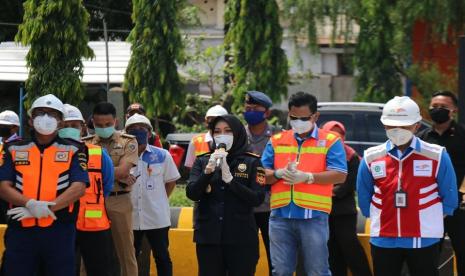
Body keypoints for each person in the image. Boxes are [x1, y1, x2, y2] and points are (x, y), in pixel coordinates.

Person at [357, 96, 458, 276]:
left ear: (417, 125)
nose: (398, 130)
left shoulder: (437, 155)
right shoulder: (371, 156)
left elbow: (449, 196)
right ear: (384, 125)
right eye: (392, 126)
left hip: (424, 238)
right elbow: (364, 195)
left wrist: (429, 218)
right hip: (383, 237)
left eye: (404, 126)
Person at [0, 94, 88, 275]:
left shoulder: (74, 149)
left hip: (60, 230)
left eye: (52, 114)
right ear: (31, 120)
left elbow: (78, 186)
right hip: (21, 229)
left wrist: (48, 207)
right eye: (41, 113)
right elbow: (3, 186)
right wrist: (30, 204)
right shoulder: (14, 149)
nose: (46, 118)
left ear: (61, 122)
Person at [261, 91, 348, 276]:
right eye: (293, 117)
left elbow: (340, 175)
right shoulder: (276, 141)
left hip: (313, 217)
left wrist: (308, 177)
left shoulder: (330, 141)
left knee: (317, 271)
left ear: (315, 116)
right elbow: (260, 175)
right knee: (280, 271)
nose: (298, 122)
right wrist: (277, 173)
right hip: (280, 216)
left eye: (304, 118)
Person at [186, 115, 265, 276]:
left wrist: (231, 181)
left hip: (241, 237)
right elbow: (192, 193)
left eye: (228, 131)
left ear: (238, 133)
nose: (222, 135)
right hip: (209, 237)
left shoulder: (254, 162)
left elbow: (258, 198)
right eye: (217, 131)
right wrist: (207, 173)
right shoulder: (202, 161)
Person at [58, 104, 117, 276]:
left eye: (74, 126)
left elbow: (106, 185)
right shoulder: (49, 155)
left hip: (94, 225)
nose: (70, 130)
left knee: (100, 270)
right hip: (62, 224)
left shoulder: (99, 154)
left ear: (83, 128)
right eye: (65, 126)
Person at [82, 102, 139, 276]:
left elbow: (123, 170)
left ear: (116, 121)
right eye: (99, 125)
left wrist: (93, 170)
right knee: (89, 250)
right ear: (93, 122)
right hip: (93, 204)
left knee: (126, 251)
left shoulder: (128, 141)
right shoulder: (85, 143)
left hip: (118, 201)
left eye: (108, 124)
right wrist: (116, 173)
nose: (104, 127)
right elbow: (119, 172)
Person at [125, 114, 180, 276]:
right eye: (132, 130)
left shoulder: (163, 155)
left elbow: (170, 182)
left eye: (142, 129)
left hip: (157, 217)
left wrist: (159, 200)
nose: (138, 132)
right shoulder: (121, 156)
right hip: (130, 217)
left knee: (162, 256)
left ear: (150, 133)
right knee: (130, 257)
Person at [416, 90, 465, 275]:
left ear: (454, 110)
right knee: (428, 253)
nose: (438, 110)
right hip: (430, 205)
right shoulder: (422, 138)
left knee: (462, 249)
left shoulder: (462, 136)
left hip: (459, 205)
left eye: (443, 107)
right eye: (434, 107)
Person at [321, 121, 372, 276]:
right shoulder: (318, 154)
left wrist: (329, 191)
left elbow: (351, 182)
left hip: (344, 211)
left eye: (340, 133)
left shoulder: (351, 156)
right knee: (332, 249)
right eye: (332, 132)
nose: (336, 136)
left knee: (350, 247)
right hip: (323, 210)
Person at [243, 90, 276, 275]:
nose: (250, 111)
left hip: (271, 206)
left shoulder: (278, 137)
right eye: (248, 108)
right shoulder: (238, 135)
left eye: (255, 108)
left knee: (276, 257)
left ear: (267, 113)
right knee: (246, 257)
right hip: (245, 206)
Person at [184, 105, 228, 169]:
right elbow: (190, 167)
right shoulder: (196, 141)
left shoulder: (233, 141)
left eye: (216, 119)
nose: (211, 122)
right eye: (209, 119)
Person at [0, 110, 21, 224]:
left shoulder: (20, 147)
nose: (1, 128)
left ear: (15, 128)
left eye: (4, 126)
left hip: (10, 196)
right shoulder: (2, 146)